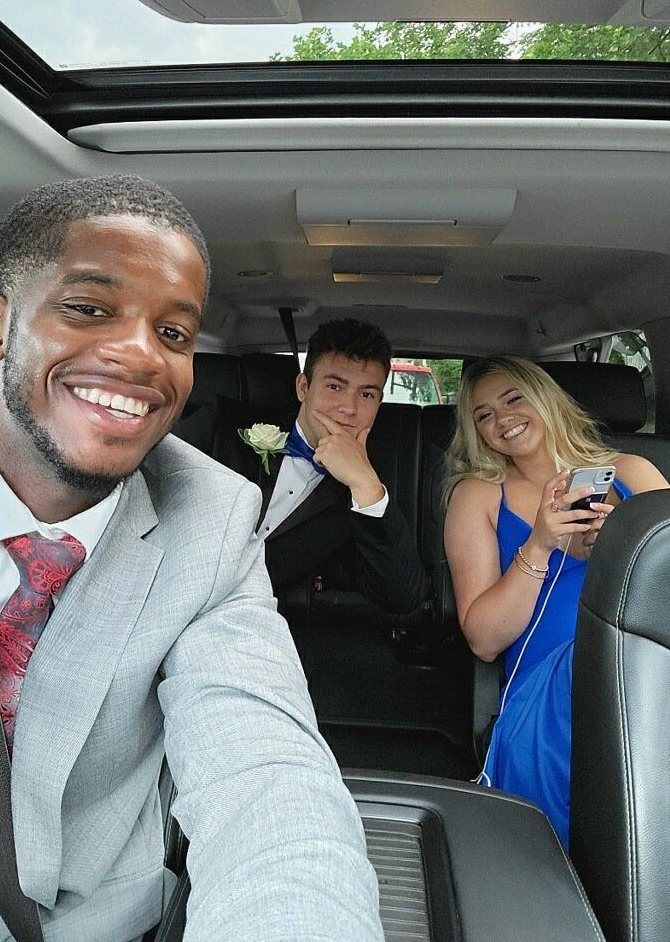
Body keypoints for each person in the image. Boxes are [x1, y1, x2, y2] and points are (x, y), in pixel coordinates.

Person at [0, 176, 384, 942]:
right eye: (89, 309)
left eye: (173, 333)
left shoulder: (209, 523)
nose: (139, 354)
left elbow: (267, 778)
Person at [443, 355, 668, 849]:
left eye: (513, 399)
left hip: (647, 662)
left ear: (544, 399)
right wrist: (540, 544)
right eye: (484, 415)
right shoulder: (479, 495)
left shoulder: (633, 472)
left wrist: (621, 545)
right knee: (594, 669)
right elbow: (483, 640)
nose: (502, 419)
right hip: (549, 681)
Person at [205, 318, 427, 614]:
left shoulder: (371, 492)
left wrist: (364, 484)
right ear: (303, 387)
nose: (349, 408)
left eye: (366, 394)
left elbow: (404, 597)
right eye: (335, 386)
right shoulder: (223, 427)